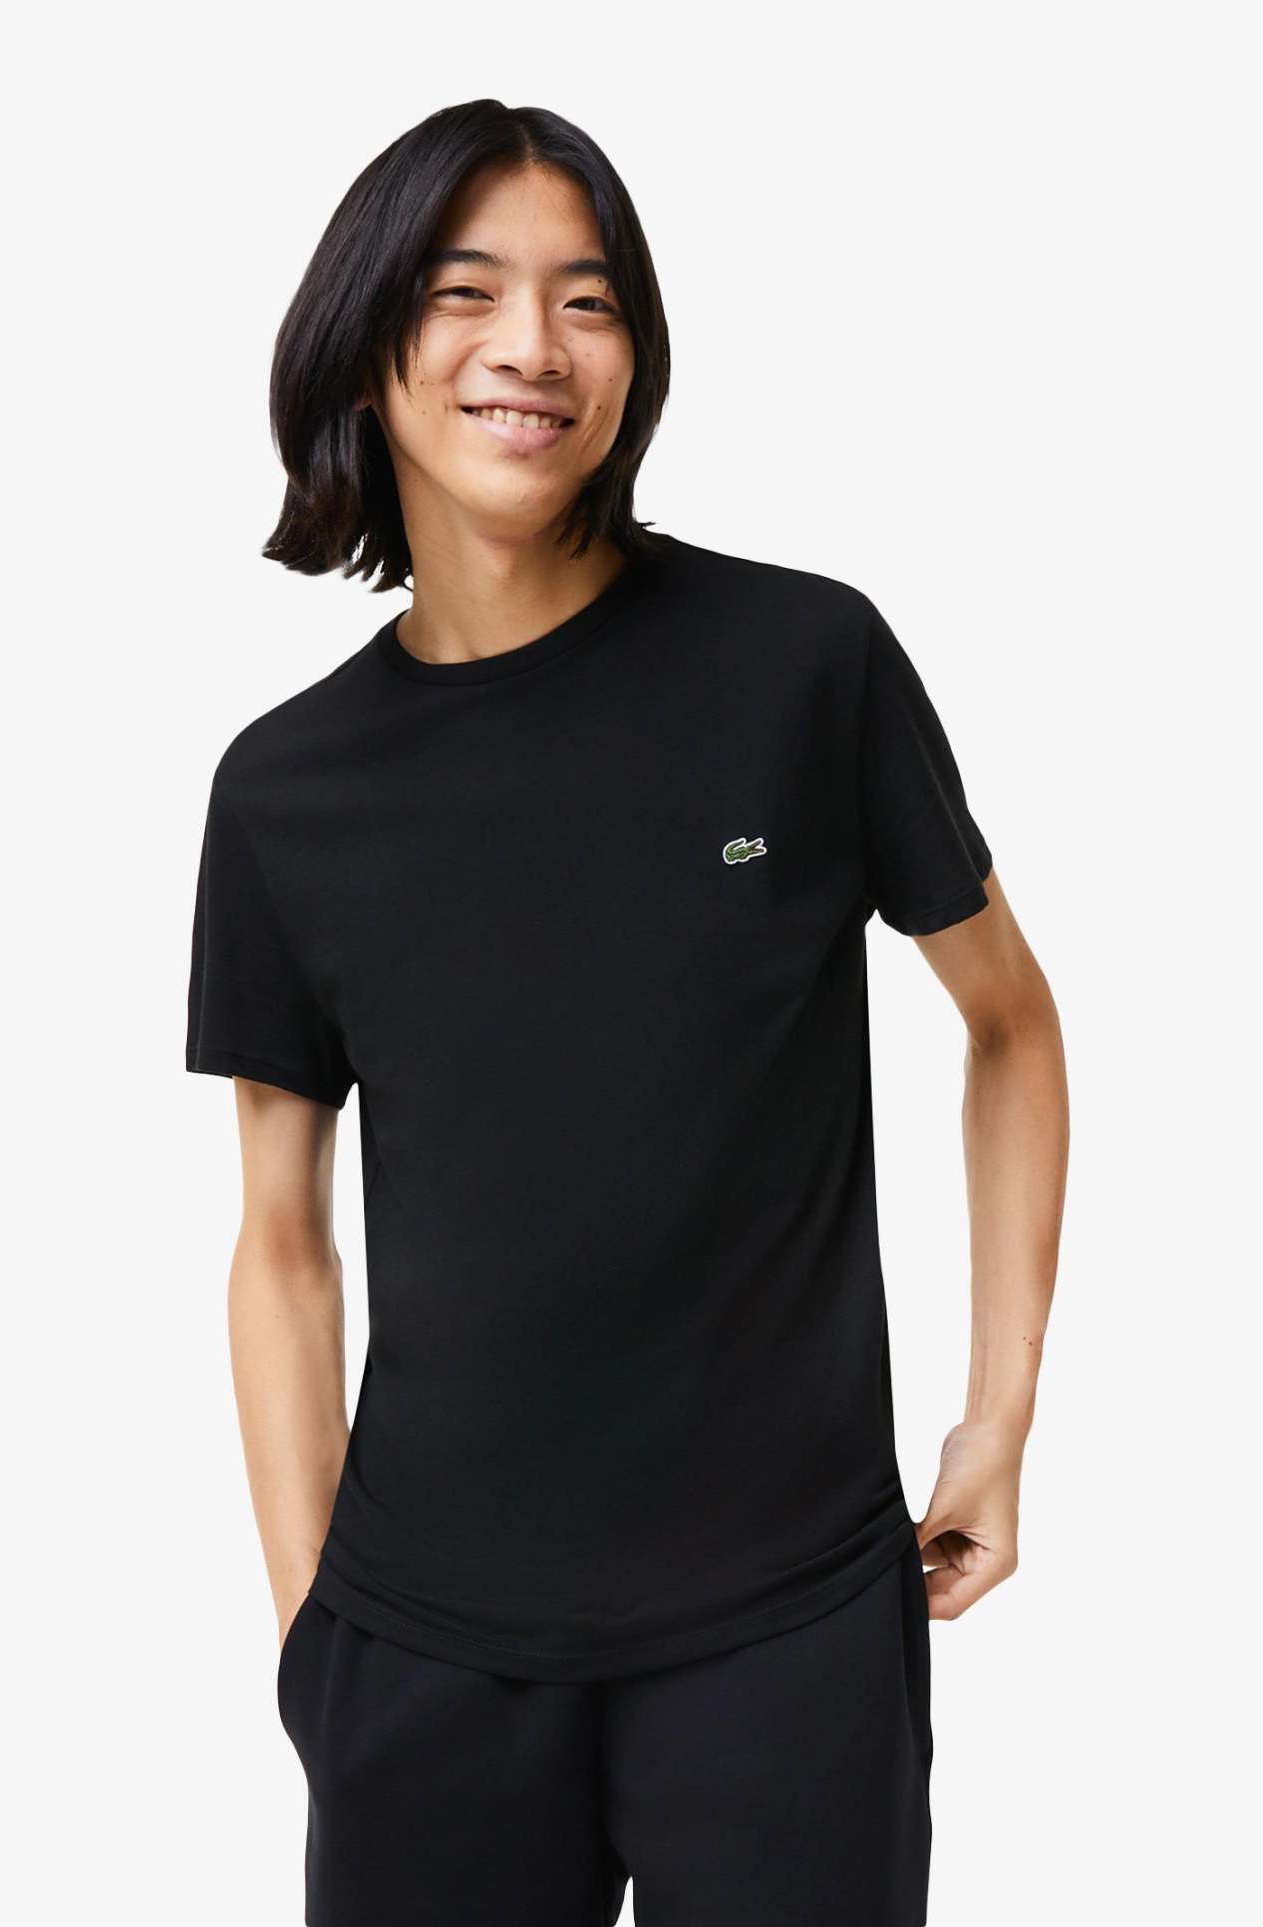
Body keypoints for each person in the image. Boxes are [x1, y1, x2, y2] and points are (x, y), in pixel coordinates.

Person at [185, 99, 1069, 1927]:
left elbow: (1009, 1026)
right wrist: (310, 1638)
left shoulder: (800, 663)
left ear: (635, 353)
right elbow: (279, 1242)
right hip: (419, 1660)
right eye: (465, 292)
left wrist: (994, 1421)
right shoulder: (284, 791)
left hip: (791, 1628)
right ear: (366, 343)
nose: (531, 345)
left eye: (586, 300)